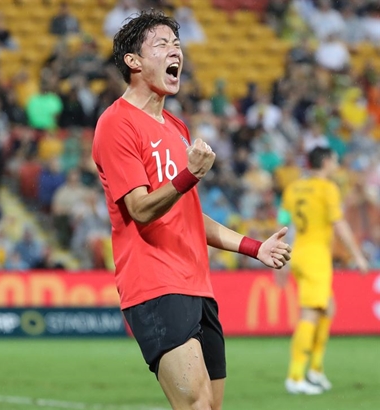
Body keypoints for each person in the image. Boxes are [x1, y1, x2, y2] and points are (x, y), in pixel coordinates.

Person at [91, 10, 292, 410]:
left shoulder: (176, 127)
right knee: (196, 404)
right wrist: (189, 175)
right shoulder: (116, 123)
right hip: (154, 285)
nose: (175, 51)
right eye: (162, 44)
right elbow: (141, 209)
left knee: (211, 406)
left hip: (197, 285)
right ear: (133, 61)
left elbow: (186, 216)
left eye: (177, 44)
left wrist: (254, 248)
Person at [277, 147, 369, 395]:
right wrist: (358, 256)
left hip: (297, 253)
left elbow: (283, 221)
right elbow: (339, 224)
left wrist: (280, 257)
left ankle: (315, 370)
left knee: (328, 307)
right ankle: (295, 376)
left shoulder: (293, 188)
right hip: (315, 255)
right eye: (335, 161)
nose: (336, 164)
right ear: (326, 162)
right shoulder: (327, 188)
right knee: (311, 312)